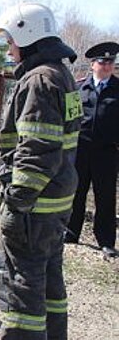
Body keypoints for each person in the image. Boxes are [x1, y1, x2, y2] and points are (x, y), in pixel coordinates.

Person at [0, 2, 82, 340]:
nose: (9, 49)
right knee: (49, 287)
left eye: (10, 40)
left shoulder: (39, 81)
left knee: (22, 289)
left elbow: (37, 150)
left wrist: (17, 200)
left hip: (34, 209)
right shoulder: (62, 75)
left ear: (27, 35)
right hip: (56, 204)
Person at [66, 41, 119, 259]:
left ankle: (106, 241)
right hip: (80, 150)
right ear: (92, 65)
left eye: (111, 62)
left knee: (105, 198)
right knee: (75, 193)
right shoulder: (79, 88)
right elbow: (69, 120)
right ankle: (70, 233)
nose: (107, 66)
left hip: (107, 153)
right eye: (102, 62)